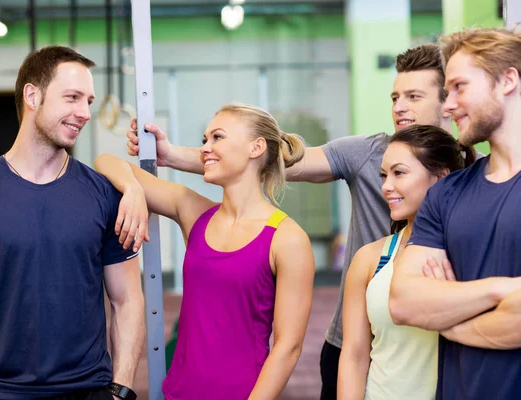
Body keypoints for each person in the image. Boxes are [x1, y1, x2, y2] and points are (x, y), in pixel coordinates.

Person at [125, 43, 452, 400]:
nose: (400, 107)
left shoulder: (466, 172)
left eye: (414, 96)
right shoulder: (366, 153)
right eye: (395, 96)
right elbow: (274, 161)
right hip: (354, 339)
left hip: (428, 339)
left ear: (447, 103)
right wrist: (172, 155)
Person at [0, 46, 146, 400]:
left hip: (88, 390)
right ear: (32, 95)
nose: (85, 113)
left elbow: (128, 300)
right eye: (72, 98)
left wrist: (120, 390)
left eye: (88, 101)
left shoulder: (104, 196)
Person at [95, 103, 315, 399]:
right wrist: (132, 189)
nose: (205, 149)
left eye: (217, 138)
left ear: (256, 147)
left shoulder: (288, 239)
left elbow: (288, 347)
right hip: (177, 393)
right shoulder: (194, 212)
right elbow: (105, 161)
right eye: (204, 140)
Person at [389, 28, 521, 399]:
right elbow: (404, 301)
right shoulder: (446, 194)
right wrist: (503, 289)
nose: (447, 106)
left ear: (507, 80)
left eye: (460, 87)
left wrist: (450, 322)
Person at [337, 125, 474, 400]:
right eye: (384, 175)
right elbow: (354, 356)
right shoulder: (369, 258)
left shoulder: (471, 253)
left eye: (399, 173)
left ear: (441, 178)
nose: (386, 186)